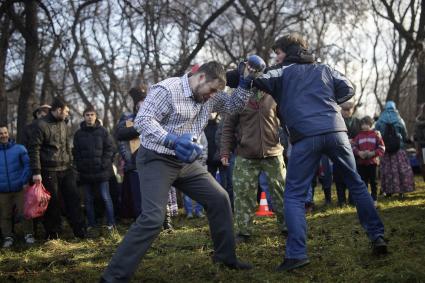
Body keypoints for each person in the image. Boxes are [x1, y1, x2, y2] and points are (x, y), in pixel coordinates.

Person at [101, 60, 260, 282]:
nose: (212, 96)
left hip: (185, 161)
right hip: (156, 158)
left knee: (220, 198)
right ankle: (113, 277)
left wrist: (245, 83)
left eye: (216, 93)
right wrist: (172, 140)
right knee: (153, 219)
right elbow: (143, 121)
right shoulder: (167, 89)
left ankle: (225, 257)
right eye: (212, 90)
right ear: (201, 77)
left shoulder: (211, 96)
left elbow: (233, 106)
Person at [239, 33, 386, 271]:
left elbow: (251, 79)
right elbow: (348, 88)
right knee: (356, 184)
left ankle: (296, 254)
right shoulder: (326, 69)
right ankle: (377, 236)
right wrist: (326, 103)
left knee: (295, 194)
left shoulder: (281, 71)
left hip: (305, 135)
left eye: (278, 52)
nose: (276, 57)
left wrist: (241, 72)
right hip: (336, 130)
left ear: (290, 51)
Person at [220, 89, 286, 243]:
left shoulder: (274, 93)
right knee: (243, 194)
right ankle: (244, 232)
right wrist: (225, 151)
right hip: (246, 154)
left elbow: (287, 120)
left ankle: (287, 227)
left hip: (273, 153)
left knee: (281, 192)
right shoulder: (238, 97)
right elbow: (228, 126)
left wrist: (295, 142)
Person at [116, 85, 175, 230]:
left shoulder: (158, 118)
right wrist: (143, 125)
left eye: (145, 102)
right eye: (139, 104)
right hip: (136, 166)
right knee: (139, 198)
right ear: (135, 106)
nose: (143, 106)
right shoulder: (127, 119)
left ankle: (166, 223)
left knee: (161, 195)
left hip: (157, 162)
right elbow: (120, 134)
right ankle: (144, 226)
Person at [27, 97, 86, 240]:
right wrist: (36, 172)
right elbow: (34, 149)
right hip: (48, 170)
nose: (67, 114)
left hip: (66, 169)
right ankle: (53, 236)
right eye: (66, 111)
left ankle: (80, 232)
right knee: (53, 204)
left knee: (74, 199)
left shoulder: (64, 124)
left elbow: (67, 147)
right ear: (58, 110)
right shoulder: (40, 125)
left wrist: (71, 165)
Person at [73, 106, 116, 235]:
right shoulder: (78, 134)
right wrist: (80, 165)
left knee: (105, 197)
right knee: (88, 200)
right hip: (85, 172)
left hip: (101, 171)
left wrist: (104, 163)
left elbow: (110, 149)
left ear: (96, 116)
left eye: (92, 114)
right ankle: (92, 225)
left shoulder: (103, 131)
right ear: (84, 117)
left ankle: (111, 224)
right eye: (87, 114)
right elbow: (76, 152)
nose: (90, 117)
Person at [0, 126, 34, 247]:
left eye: (5, 133)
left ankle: (29, 234)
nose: (3, 135)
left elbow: (27, 165)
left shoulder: (19, 149)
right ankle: (8, 237)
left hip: (20, 188)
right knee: (5, 215)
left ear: (8, 133)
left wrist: (24, 180)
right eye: (0, 133)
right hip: (2, 191)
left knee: (25, 212)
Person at [375, 101, 415, 197]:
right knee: (400, 169)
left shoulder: (380, 120)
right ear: (394, 107)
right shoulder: (399, 119)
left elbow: (376, 134)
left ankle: (388, 191)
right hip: (399, 149)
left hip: (386, 149)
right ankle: (401, 191)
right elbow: (404, 134)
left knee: (387, 171)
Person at [352, 116, 385, 207]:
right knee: (363, 182)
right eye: (362, 124)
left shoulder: (376, 135)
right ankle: (366, 199)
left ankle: (374, 199)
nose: (364, 126)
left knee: (374, 182)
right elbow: (353, 147)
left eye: (366, 124)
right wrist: (359, 153)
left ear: (370, 124)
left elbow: (382, 148)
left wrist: (373, 153)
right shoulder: (358, 136)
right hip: (361, 163)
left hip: (373, 162)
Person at [335, 101, 361, 206]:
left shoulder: (358, 122)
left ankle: (353, 199)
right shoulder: (336, 120)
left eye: (348, 110)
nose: (346, 112)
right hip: (339, 152)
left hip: (355, 153)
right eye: (344, 110)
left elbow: (364, 134)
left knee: (353, 175)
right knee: (339, 177)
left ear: (352, 110)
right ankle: (341, 200)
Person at [414, 103, 425, 181]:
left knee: (423, 166)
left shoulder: (418, 121)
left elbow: (415, 137)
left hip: (421, 147)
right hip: (423, 146)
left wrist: (417, 148)